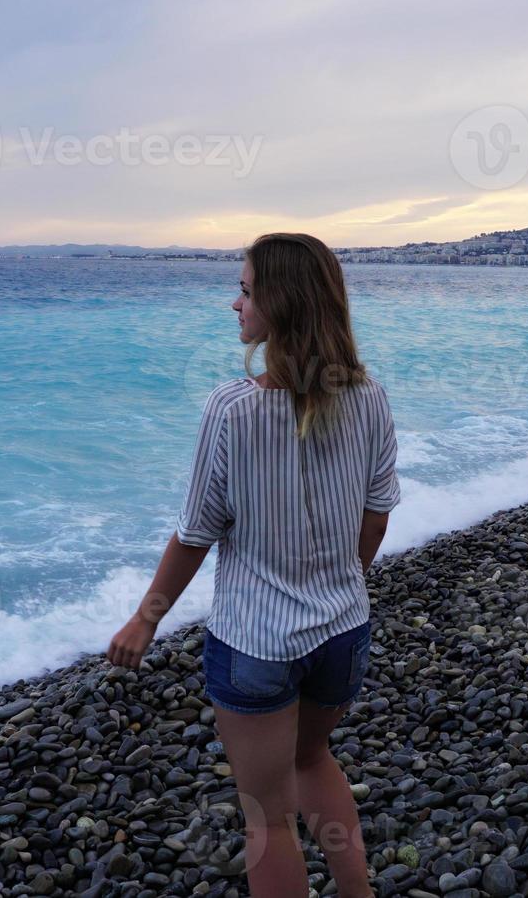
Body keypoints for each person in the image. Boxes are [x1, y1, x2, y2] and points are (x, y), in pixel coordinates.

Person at [107, 232, 401, 898]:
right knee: (311, 757)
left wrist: (142, 622)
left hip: (255, 642)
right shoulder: (370, 397)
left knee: (266, 818)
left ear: (280, 301)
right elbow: (376, 517)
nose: (232, 304)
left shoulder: (232, 410)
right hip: (343, 632)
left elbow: (194, 536)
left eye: (244, 290)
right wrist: (340, 584)